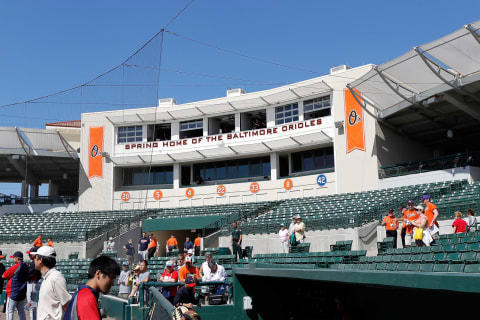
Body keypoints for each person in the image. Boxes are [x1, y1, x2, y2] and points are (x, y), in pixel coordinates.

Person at [64, 256, 120, 320]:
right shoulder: (87, 297)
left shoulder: (84, 293)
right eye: (111, 278)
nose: (112, 283)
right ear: (98, 274)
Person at [32, 246, 71, 320]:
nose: (33, 260)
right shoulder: (47, 277)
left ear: (40, 260)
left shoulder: (56, 278)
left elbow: (67, 305)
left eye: (35, 257)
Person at [3, 251, 29, 320]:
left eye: (14, 258)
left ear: (17, 258)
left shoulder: (15, 266)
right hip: (22, 292)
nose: (13, 259)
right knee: (21, 311)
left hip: (13, 292)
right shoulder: (26, 266)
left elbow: (4, 276)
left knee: (10, 311)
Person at [25, 247, 41, 320]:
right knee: (33, 303)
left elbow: (29, 274)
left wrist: (23, 276)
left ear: (34, 255)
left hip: (31, 283)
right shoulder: (37, 262)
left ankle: (33, 319)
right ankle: (34, 318)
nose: (29, 255)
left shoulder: (33, 263)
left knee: (31, 303)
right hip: (34, 283)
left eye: (30, 254)